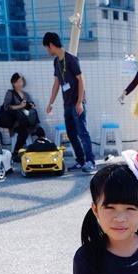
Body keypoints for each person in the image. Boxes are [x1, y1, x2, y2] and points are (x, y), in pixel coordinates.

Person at [43, 32, 96, 172]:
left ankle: (91, 161)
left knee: (82, 132)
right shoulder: (56, 62)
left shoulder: (71, 59)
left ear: (51, 45)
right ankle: (80, 160)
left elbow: (81, 80)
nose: (47, 51)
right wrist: (51, 103)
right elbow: (56, 84)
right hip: (67, 104)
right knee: (71, 134)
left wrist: (79, 102)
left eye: (47, 48)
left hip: (76, 103)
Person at [3, 73, 45, 162]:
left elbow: (30, 104)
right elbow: (6, 107)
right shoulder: (10, 93)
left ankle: (41, 150)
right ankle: (15, 153)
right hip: (17, 122)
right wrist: (19, 106)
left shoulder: (26, 94)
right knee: (23, 134)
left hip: (28, 121)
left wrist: (32, 105)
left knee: (41, 131)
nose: (19, 83)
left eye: (20, 81)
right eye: (16, 82)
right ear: (13, 83)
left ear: (23, 82)